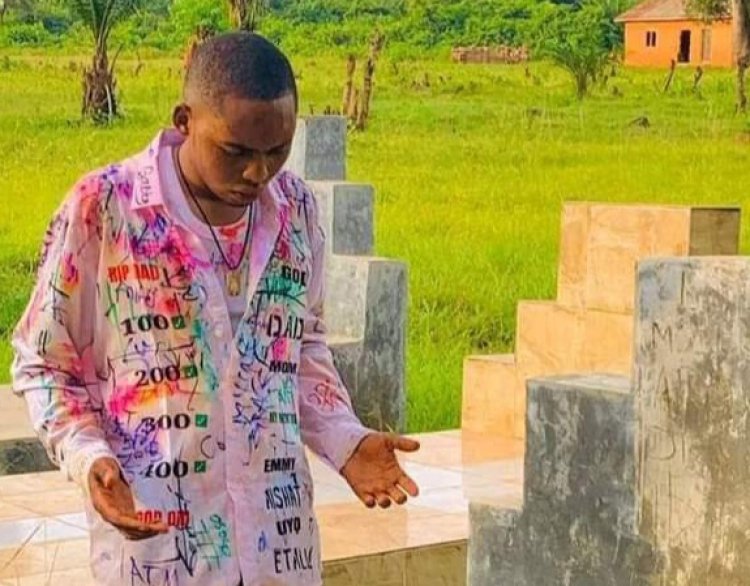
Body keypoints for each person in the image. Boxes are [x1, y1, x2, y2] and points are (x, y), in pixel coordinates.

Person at [11, 32, 420, 586]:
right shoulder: (104, 209)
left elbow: (298, 349)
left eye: (276, 151)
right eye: (236, 152)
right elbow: (42, 364)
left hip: (278, 549)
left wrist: (344, 439)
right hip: (161, 553)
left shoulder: (295, 211)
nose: (258, 173)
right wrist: (88, 458)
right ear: (185, 120)